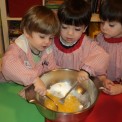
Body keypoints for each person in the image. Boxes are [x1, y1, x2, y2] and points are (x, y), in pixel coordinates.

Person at [1, 5, 59, 96]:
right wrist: (34, 79)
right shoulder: (17, 48)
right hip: (7, 87)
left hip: (26, 87)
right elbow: (7, 65)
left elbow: (51, 70)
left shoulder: (47, 50)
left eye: (51, 38)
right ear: (27, 33)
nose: (47, 42)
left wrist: (57, 78)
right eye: (42, 37)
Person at [52, 0, 109, 82]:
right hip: (56, 83)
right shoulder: (51, 42)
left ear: (84, 28)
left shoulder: (88, 44)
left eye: (77, 29)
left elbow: (103, 56)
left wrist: (86, 70)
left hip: (78, 86)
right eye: (64, 27)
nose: (70, 33)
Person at [95, 0, 122, 95]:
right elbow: (96, 62)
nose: (104, 28)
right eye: (102, 23)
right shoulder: (99, 38)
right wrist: (103, 79)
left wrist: (120, 88)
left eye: (111, 25)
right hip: (103, 83)